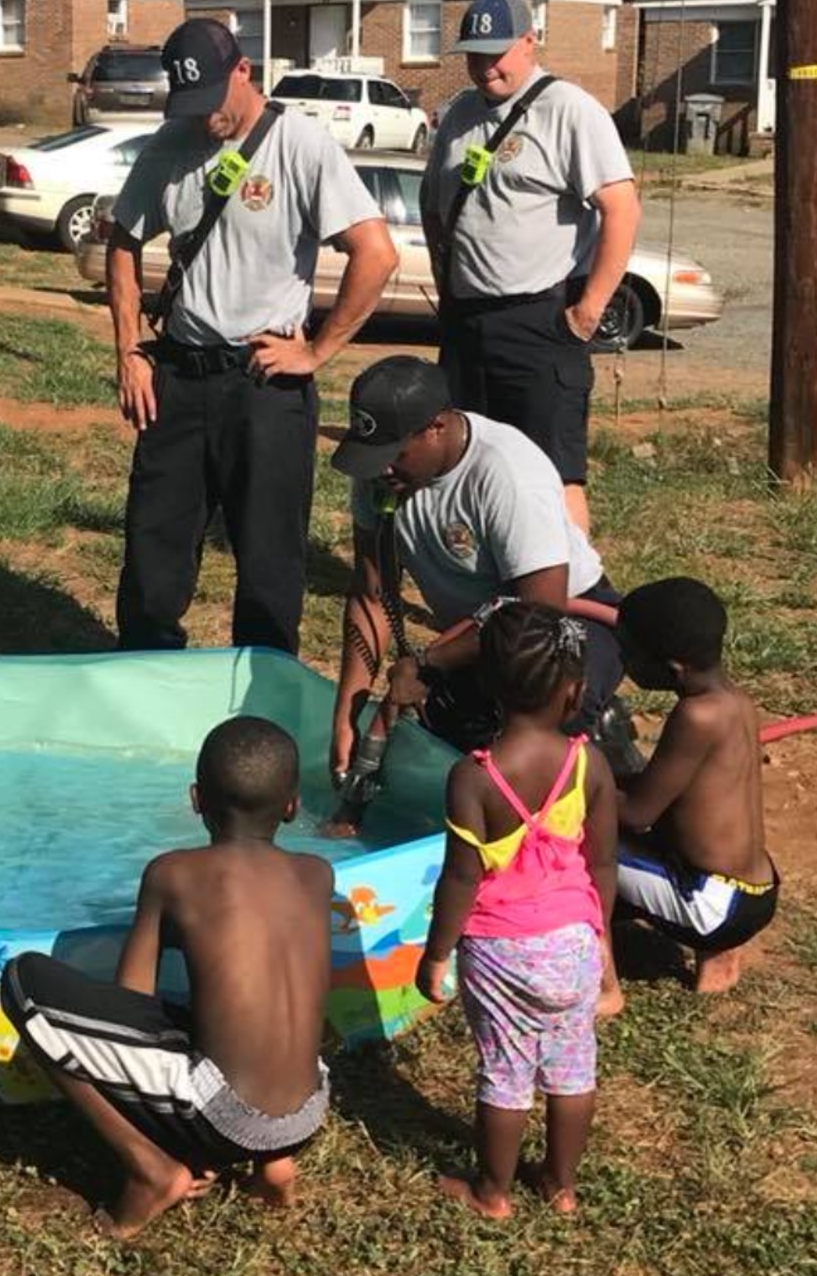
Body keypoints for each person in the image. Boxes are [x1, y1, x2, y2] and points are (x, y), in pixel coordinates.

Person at [103, 18, 396, 657]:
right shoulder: (169, 144)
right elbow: (123, 241)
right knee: (153, 553)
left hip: (264, 385)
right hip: (177, 379)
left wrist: (316, 350)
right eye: (187, 105)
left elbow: (375, 253)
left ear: (243, 71)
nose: (202, 118)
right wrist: (128, 351)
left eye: (210, 100)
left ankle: (262, 715)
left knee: (268, 561)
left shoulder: (301, 145)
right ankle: (144, 680)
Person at [0, 716, 332, 1238]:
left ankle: (151, 1169)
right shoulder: (317, 874)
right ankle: (274, 1161)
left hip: (226, 1114)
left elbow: (134, 999)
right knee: (242, 1017)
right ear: (291, 805)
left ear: (196, 799)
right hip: (309, 1107)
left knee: (22, 983)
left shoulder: (173, 873)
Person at [326, 357, 629, 814]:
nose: (382, 471)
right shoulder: (383, 473)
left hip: (569, 624)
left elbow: (539, 610)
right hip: (476, 636)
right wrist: (348, 713)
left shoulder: (505, 471)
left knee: (521, 743)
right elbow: (372, 595)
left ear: (436, 427)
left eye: (394, 454)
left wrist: (428, 664)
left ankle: (601, 751)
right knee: (440, 746)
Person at [416, 601, 621, 1219]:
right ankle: (560, 1186)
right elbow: (603, 863)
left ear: (488, 686)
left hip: (500, 947)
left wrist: (436, 953)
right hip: (575, 943)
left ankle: (493, 1190)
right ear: (576, 689)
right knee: (572, 1065)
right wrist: (601, 936)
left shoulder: (473, 778)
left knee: (506, 1070)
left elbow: (460, 876)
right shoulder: (589, 763)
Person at [426, 0, 641, 535]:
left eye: (497, 51)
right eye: (474, 53)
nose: (485, 65)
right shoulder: (458, 115)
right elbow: (436, 204)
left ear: (529, 41)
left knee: (553, 473)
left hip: (540, 322)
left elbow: (621, 208)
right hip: (466, 321)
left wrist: (588, 310)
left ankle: (568, 603)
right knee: (468, 462)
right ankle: (493, 596)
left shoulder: (569, 109)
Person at [610, 577, 777, 995]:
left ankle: (601, 983)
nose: (624, 661)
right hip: (757, 891)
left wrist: (577, 783)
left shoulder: (695, 716)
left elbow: (636, 812)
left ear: (671, 670)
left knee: (578, 847)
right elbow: (674, 792)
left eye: (628, 653)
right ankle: (718, 957)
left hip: (712, 905)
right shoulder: (736, 701)